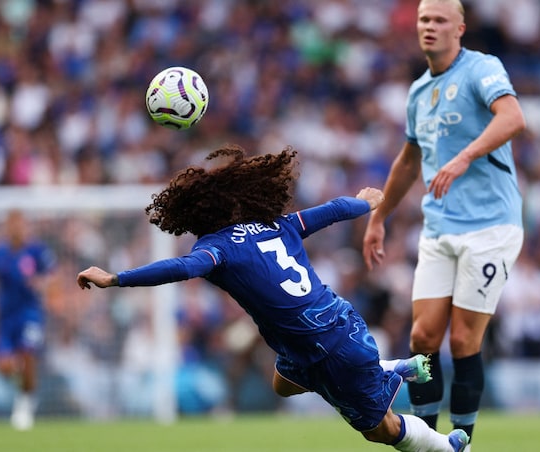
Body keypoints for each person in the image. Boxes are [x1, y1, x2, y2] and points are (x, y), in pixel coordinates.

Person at [77, 144, 469, 452]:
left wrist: (116, 278)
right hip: (329, 328)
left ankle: (446, 445)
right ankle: (382, 369)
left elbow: (179, 269)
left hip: (327, 346)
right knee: (282, 384)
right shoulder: (275, 224)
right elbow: (331, 210)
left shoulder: (216, 250)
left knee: (379, 431)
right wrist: (364, 203)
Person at [362, 0, 526, 448]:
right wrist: (379, 218)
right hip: (440, 228)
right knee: (422, 336)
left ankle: (464, 440)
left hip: (490, 226)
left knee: (464, 340)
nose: (429, 28)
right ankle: (429, 441)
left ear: (460, 28)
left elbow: (513, 117)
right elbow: (409, 160)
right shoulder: (417, 92)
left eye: (438, 20)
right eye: (423, 20)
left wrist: (464, 155)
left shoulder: (481, 69)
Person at [0, 209, 56, 430]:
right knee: (4, 366)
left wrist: (41, 283)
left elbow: (53, 277)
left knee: (28, 353)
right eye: (13, 225)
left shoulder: (37, 250)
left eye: (21, 224)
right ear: (7, 227)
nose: (17, 229)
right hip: (5, 317)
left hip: (29, 313)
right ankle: (25, 384)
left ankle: (25, 403)